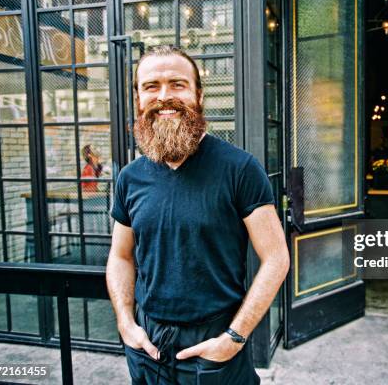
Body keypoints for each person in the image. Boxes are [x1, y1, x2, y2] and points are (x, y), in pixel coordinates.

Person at [106, 45, 290, 385]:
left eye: (178, 84)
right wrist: (125, 323)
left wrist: (233, 338)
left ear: (198, 95)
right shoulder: (130, 178)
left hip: (215, 343)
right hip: (148, 345)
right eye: (151, 86)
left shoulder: (240, 168)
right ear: (138, 99)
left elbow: (276, 257)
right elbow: (120, 256)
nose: (164, 96)